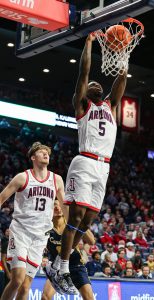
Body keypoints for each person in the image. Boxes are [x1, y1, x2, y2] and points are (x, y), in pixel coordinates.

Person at [53, 33, 127, 293]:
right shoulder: (82, 104)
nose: (95, 85)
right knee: (76, 216)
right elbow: (83, 74)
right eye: (91, 84)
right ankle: (62, 268)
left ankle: (57, 263)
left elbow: (120, 81)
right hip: (84, 162)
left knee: (88, 222)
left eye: (98, 84)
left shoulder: (111, 106)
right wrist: (88, 44)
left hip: (104, 167)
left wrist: (123, 57)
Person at [0, 142, 65, 300]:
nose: (46, 154)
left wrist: (71, 226)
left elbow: (65, 206)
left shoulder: (56, 180)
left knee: (25, 287)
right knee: (17, 280)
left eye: (47, 153)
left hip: (40, 237)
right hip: (21, 232)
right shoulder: (23, 177)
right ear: (33, 157)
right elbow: (1, 198)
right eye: (42, 152)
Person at [41, 199, 95, 300]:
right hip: (57, 267)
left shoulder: (71, 224)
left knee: (89, 298)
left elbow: (91, 241)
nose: (57, 207)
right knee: (45, 297)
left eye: (59, 205)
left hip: (76, 265)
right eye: (54, 205)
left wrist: (79, 223)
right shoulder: (46, 228)